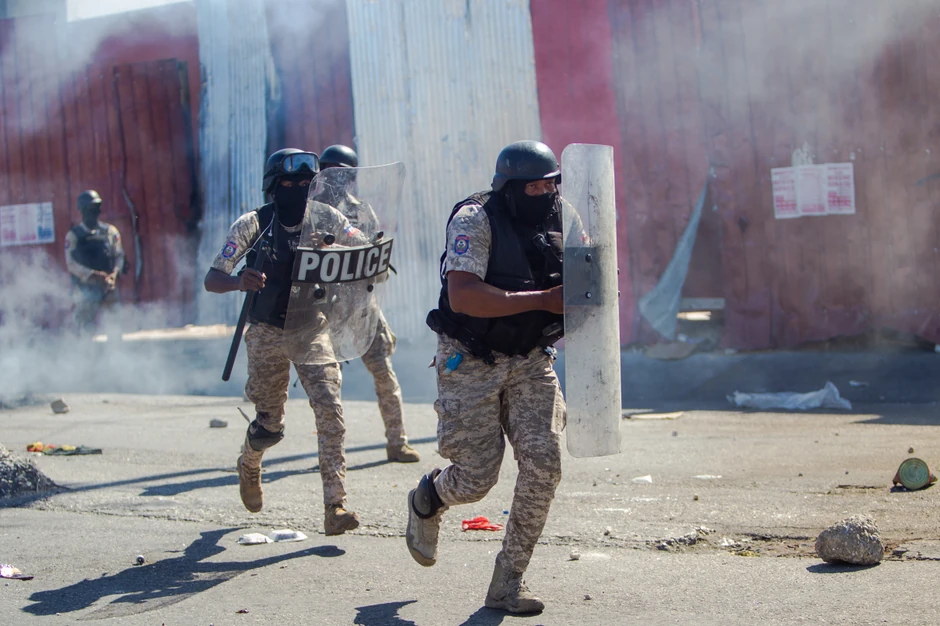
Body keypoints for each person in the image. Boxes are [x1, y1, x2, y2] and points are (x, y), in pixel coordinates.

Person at [406, 140, 567, 614]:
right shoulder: (475, 219)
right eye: (533, 186)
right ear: (509, 187)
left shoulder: (562, 216)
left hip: (530, 359)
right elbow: (464, 297)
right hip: (470, 358)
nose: (543, 193)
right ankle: (428, 497)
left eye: (550, 184)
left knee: (544, 464)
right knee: (477, 479)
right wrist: (543, 299)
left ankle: (507, 581)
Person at [204, 148, 364, 535]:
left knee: (330, 413)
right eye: (288, 184)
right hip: (266, 332)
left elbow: (361, 245)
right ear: (274, 188)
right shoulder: (252, 224)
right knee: (270, 424)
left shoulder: (326, 217)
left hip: (312, 328)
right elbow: (213, 278)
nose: (296, 190)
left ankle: (335, 505)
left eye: (305, 184)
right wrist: (239, 281)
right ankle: (249, 463)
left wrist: (354, 250)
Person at [319, 144, 420, 463]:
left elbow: (377, 257)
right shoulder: (308, 211)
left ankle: (397, 441)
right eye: (329, 170)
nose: (334, 178)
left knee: (384, 374)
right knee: (326, 384)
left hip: (361, 306)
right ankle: (331, 451)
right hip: (322, 310)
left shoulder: (360, 210)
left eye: (341, 172)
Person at [64, 190, 126, 336]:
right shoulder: (74, 235)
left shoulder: (110, 231)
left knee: (115, 328)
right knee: (84, 331)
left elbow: (119, 256)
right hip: (86, 288)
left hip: (108, 288)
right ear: (82, 211)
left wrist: (113, 276)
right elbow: (71, 263)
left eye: (96, 208)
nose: (94, 212)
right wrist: (94, 275)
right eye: (90, 209)